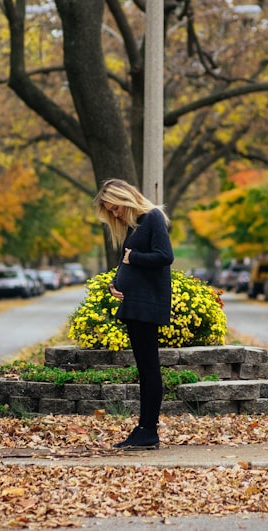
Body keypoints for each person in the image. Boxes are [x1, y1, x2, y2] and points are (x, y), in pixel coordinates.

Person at [94, 178, 174, 449]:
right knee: (145, 368)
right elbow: (127, 260)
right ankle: (144, 429)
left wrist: (133, 260)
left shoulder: (152, 217)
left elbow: (165, 256)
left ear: (125, 199)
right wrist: (116, 284)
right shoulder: (135, 226)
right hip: (135, 303)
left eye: (115, 208)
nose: (115, 214)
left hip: (147, 305)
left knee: (149, 369)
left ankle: (148, 431)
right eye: (110, 211)